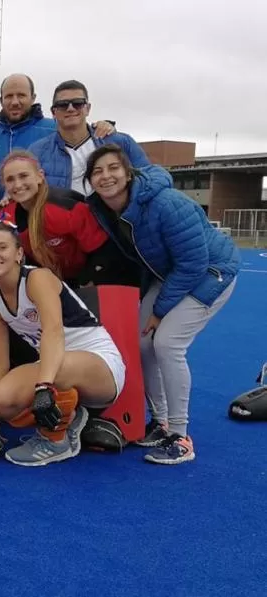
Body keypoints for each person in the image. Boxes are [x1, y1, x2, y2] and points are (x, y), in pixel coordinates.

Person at [84, 145, 240, 464]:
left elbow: (194, 263)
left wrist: (158, 311)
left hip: (212, 271)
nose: (106, 176)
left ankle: (181, 437)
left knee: (167, 343)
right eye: (97, 171)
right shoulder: (105, 209)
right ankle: (161, 421)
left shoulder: (166, 203)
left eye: (113, 168)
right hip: (171, 273)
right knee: (141, 343)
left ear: (128, 174)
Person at [0, 222, 126, 466]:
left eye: (2, 247)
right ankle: (75, 416)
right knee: (3, 399)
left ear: (18, 254)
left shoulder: (37, 278)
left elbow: (53, 332)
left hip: (99, 364)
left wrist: (43, 386)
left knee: (57, 365)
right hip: (54, 363)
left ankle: (55, 440)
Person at [0, 150, 139, 288]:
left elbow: (105, 251)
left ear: (40, 176)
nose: (17, 184)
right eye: (10, 179)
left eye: (24, 176)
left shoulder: (65, 208)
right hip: (56, 282)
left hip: (102, 277)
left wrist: (84, 284)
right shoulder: (4, 215)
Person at [0, 73, 114, 204]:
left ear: (33, 98)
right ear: (1, 100)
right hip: (2, 222)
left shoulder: (56, 129)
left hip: (50, 219)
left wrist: (106, 127)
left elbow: (85, 133)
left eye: (21, 95)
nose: (15, 102)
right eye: (9, 96)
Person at [28, 80, 148, 196]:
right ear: (53, 112)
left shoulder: (121, 142)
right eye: (63, 105)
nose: (70, 108)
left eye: (78, 103)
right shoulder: (37, 152)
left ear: (88, 108)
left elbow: (150, 180)